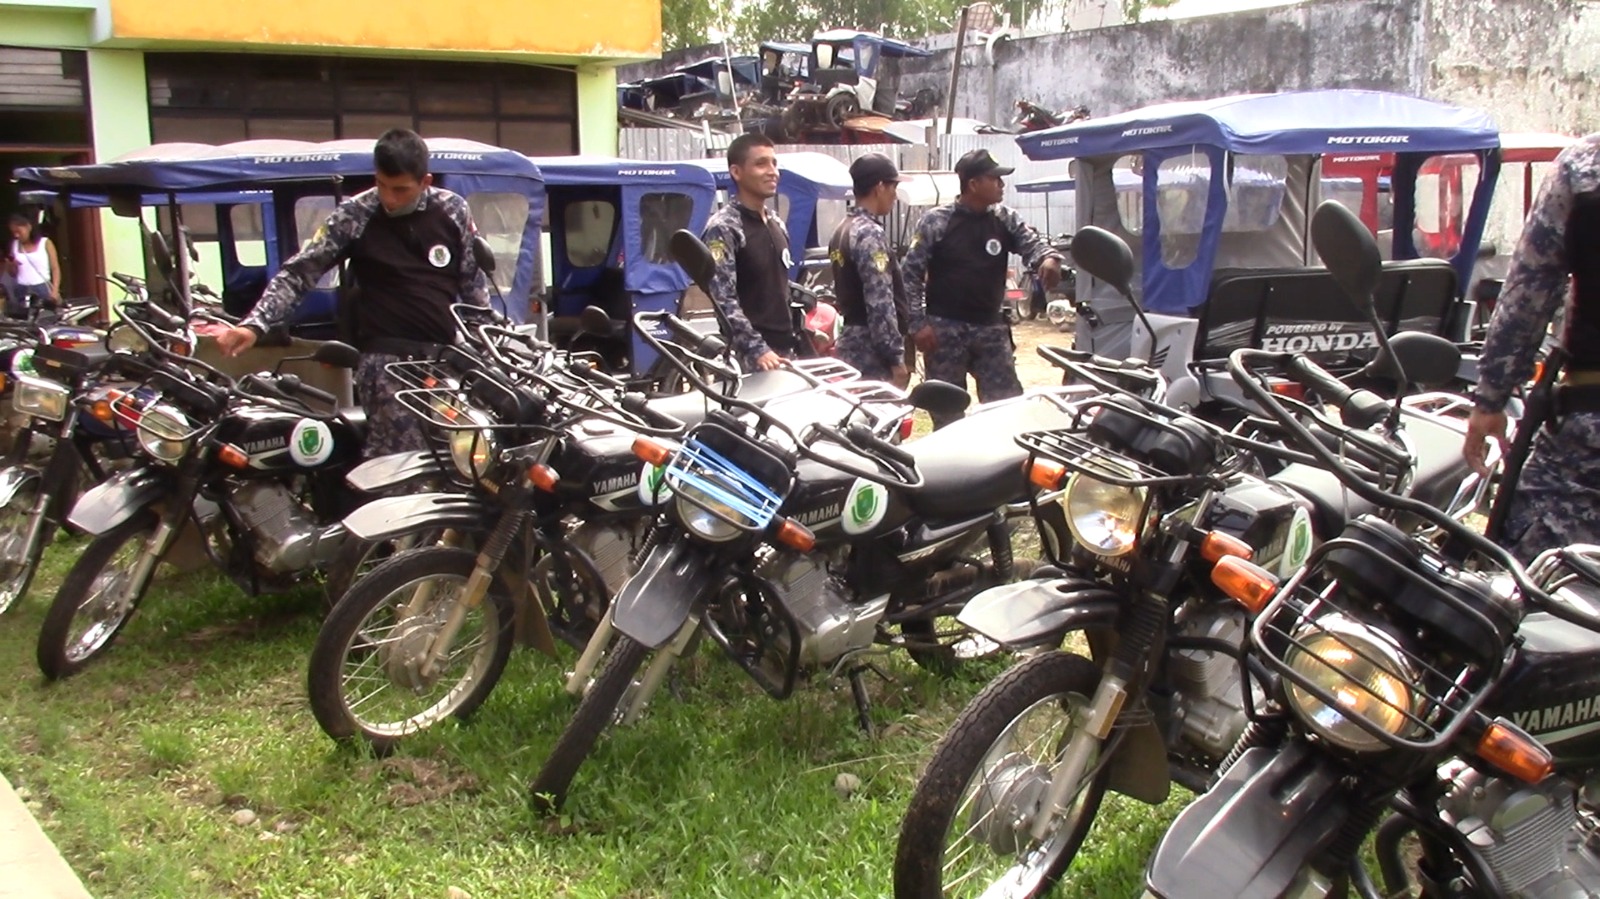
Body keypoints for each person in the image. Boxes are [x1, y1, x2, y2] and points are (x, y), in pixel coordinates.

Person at [215, 128, 488, 456]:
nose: (390, 198)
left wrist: (486, 350)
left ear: (425, 182)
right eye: (383, 185)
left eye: (401, 190)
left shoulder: (453, 210)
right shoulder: (355, 215)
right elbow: (300, 272)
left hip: (445, 362)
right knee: (405, 469)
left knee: (464, 460)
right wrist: (256, 323)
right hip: (387, 365)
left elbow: (473, 286)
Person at [1463, 133, 1600, 562]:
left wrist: (1490, 398)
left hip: (1586, 445)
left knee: (1533, 587)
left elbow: (1530, 291)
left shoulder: (1585, 170)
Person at [901, 149, 1064, 427]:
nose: (1002, 185)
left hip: (990, 330)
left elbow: (1032, 244)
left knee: (1007, 409)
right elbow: (910, 275)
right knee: (946, 416)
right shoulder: (936, 222)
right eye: (995, 179)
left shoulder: (1004, 218)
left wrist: (1048, 258)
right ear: (973, 184)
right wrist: (917, 325)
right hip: (944, 332)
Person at [702, 133, 802, 372]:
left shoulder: (776, 222)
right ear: (737, 172)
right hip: (749, 357)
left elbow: (779, 288)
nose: (772, 171)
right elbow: (723, 299)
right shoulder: (724, 227)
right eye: (761, 164)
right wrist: (757, 349)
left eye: (774, 163)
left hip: (784, 351)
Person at [829, 153, 909, 388]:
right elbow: (879, 301)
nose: (895, 196)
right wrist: (895, 357)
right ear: (880, 187)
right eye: (893, 187)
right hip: (871, 350)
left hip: (851, 344)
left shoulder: (841, 230)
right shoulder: (869, 233)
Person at [6, 214, 60, 318]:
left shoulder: (45, 243)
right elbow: (12, 274)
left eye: (19, 231)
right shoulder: (14, 245)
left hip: (41, 287)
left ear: (28, 227)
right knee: (24, 320)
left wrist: (55, 290)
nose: (16, 235)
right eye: (13, 233)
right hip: (22, 288)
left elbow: (55, 268)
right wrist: (12, 266)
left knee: (45, 318)